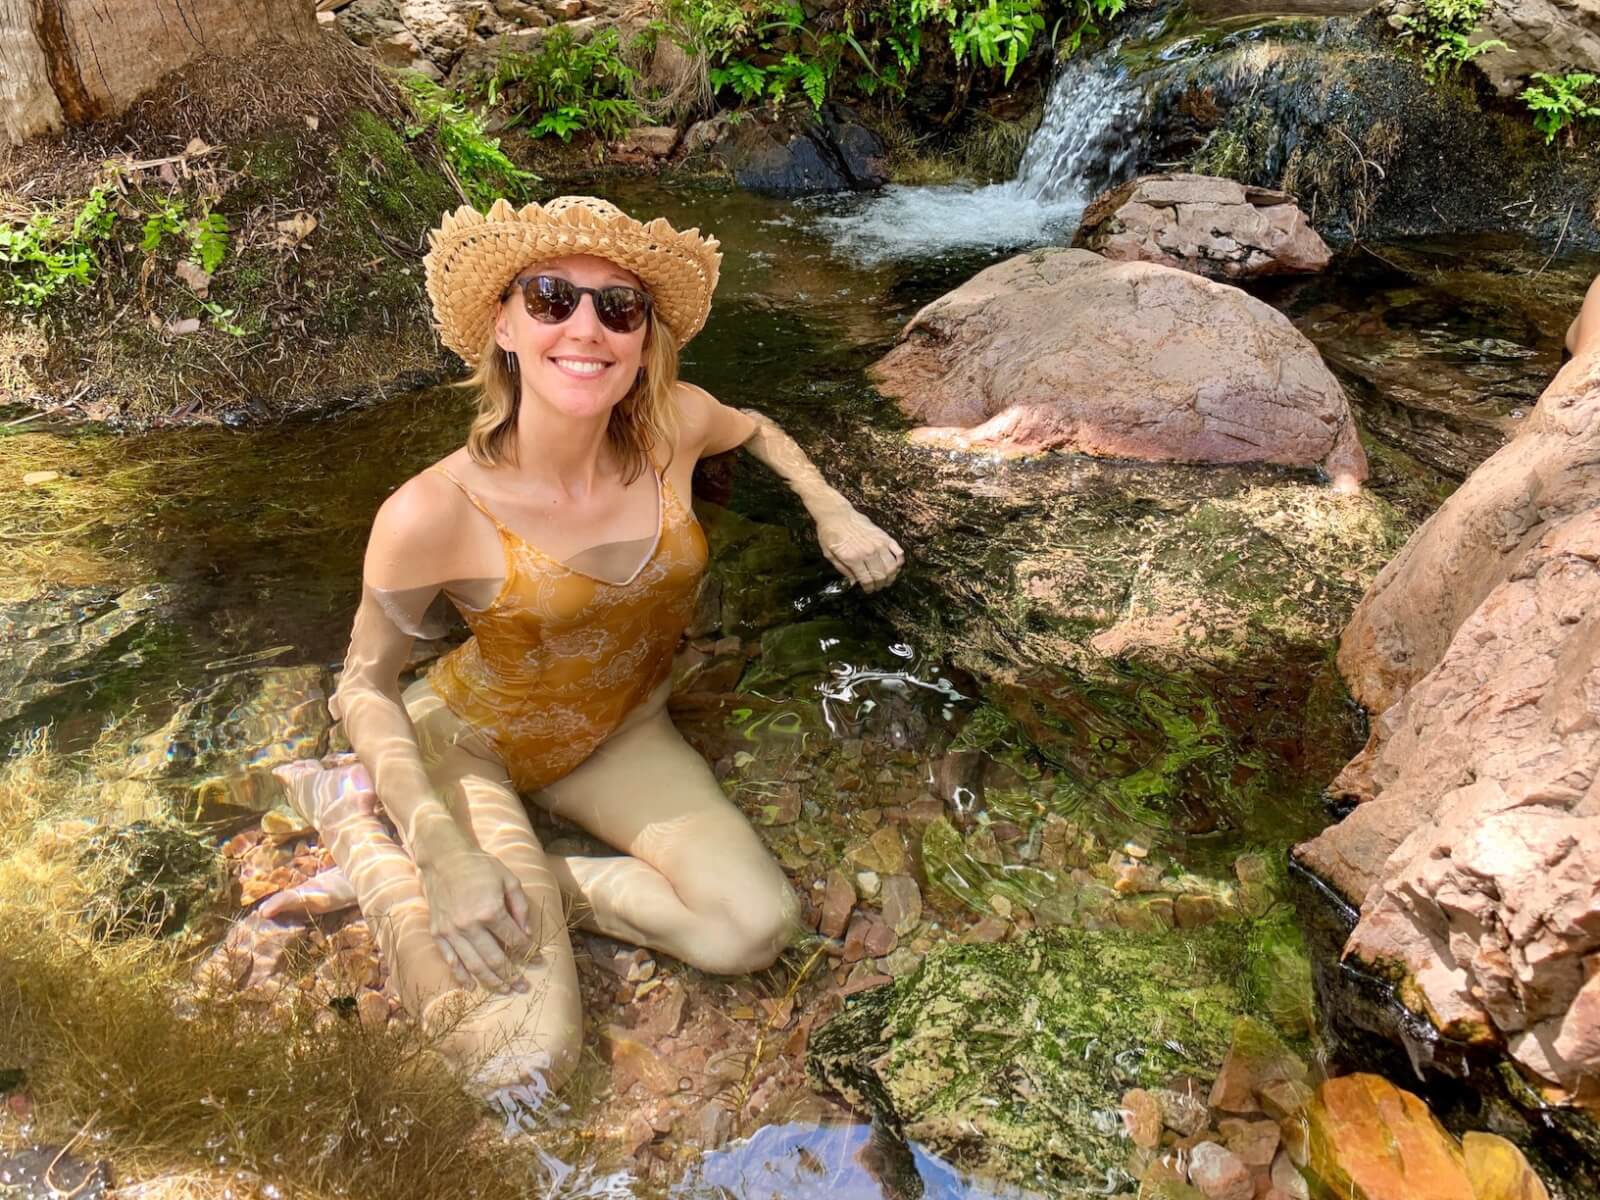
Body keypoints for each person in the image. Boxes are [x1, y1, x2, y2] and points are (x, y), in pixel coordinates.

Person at [269, 195, 904, 1099]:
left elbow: (756, 425)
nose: (585, 327)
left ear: (642, 339)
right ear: (505, 324)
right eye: (550, 297)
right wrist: (446, 852)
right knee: (518, 1055)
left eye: (619, 307)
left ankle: (544, 890)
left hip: (621, 731)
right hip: (473, 742)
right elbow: (364, 683)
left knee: (754, 929)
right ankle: (367, 830)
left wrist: (831, 508)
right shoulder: (432, 511)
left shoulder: (673, 426)